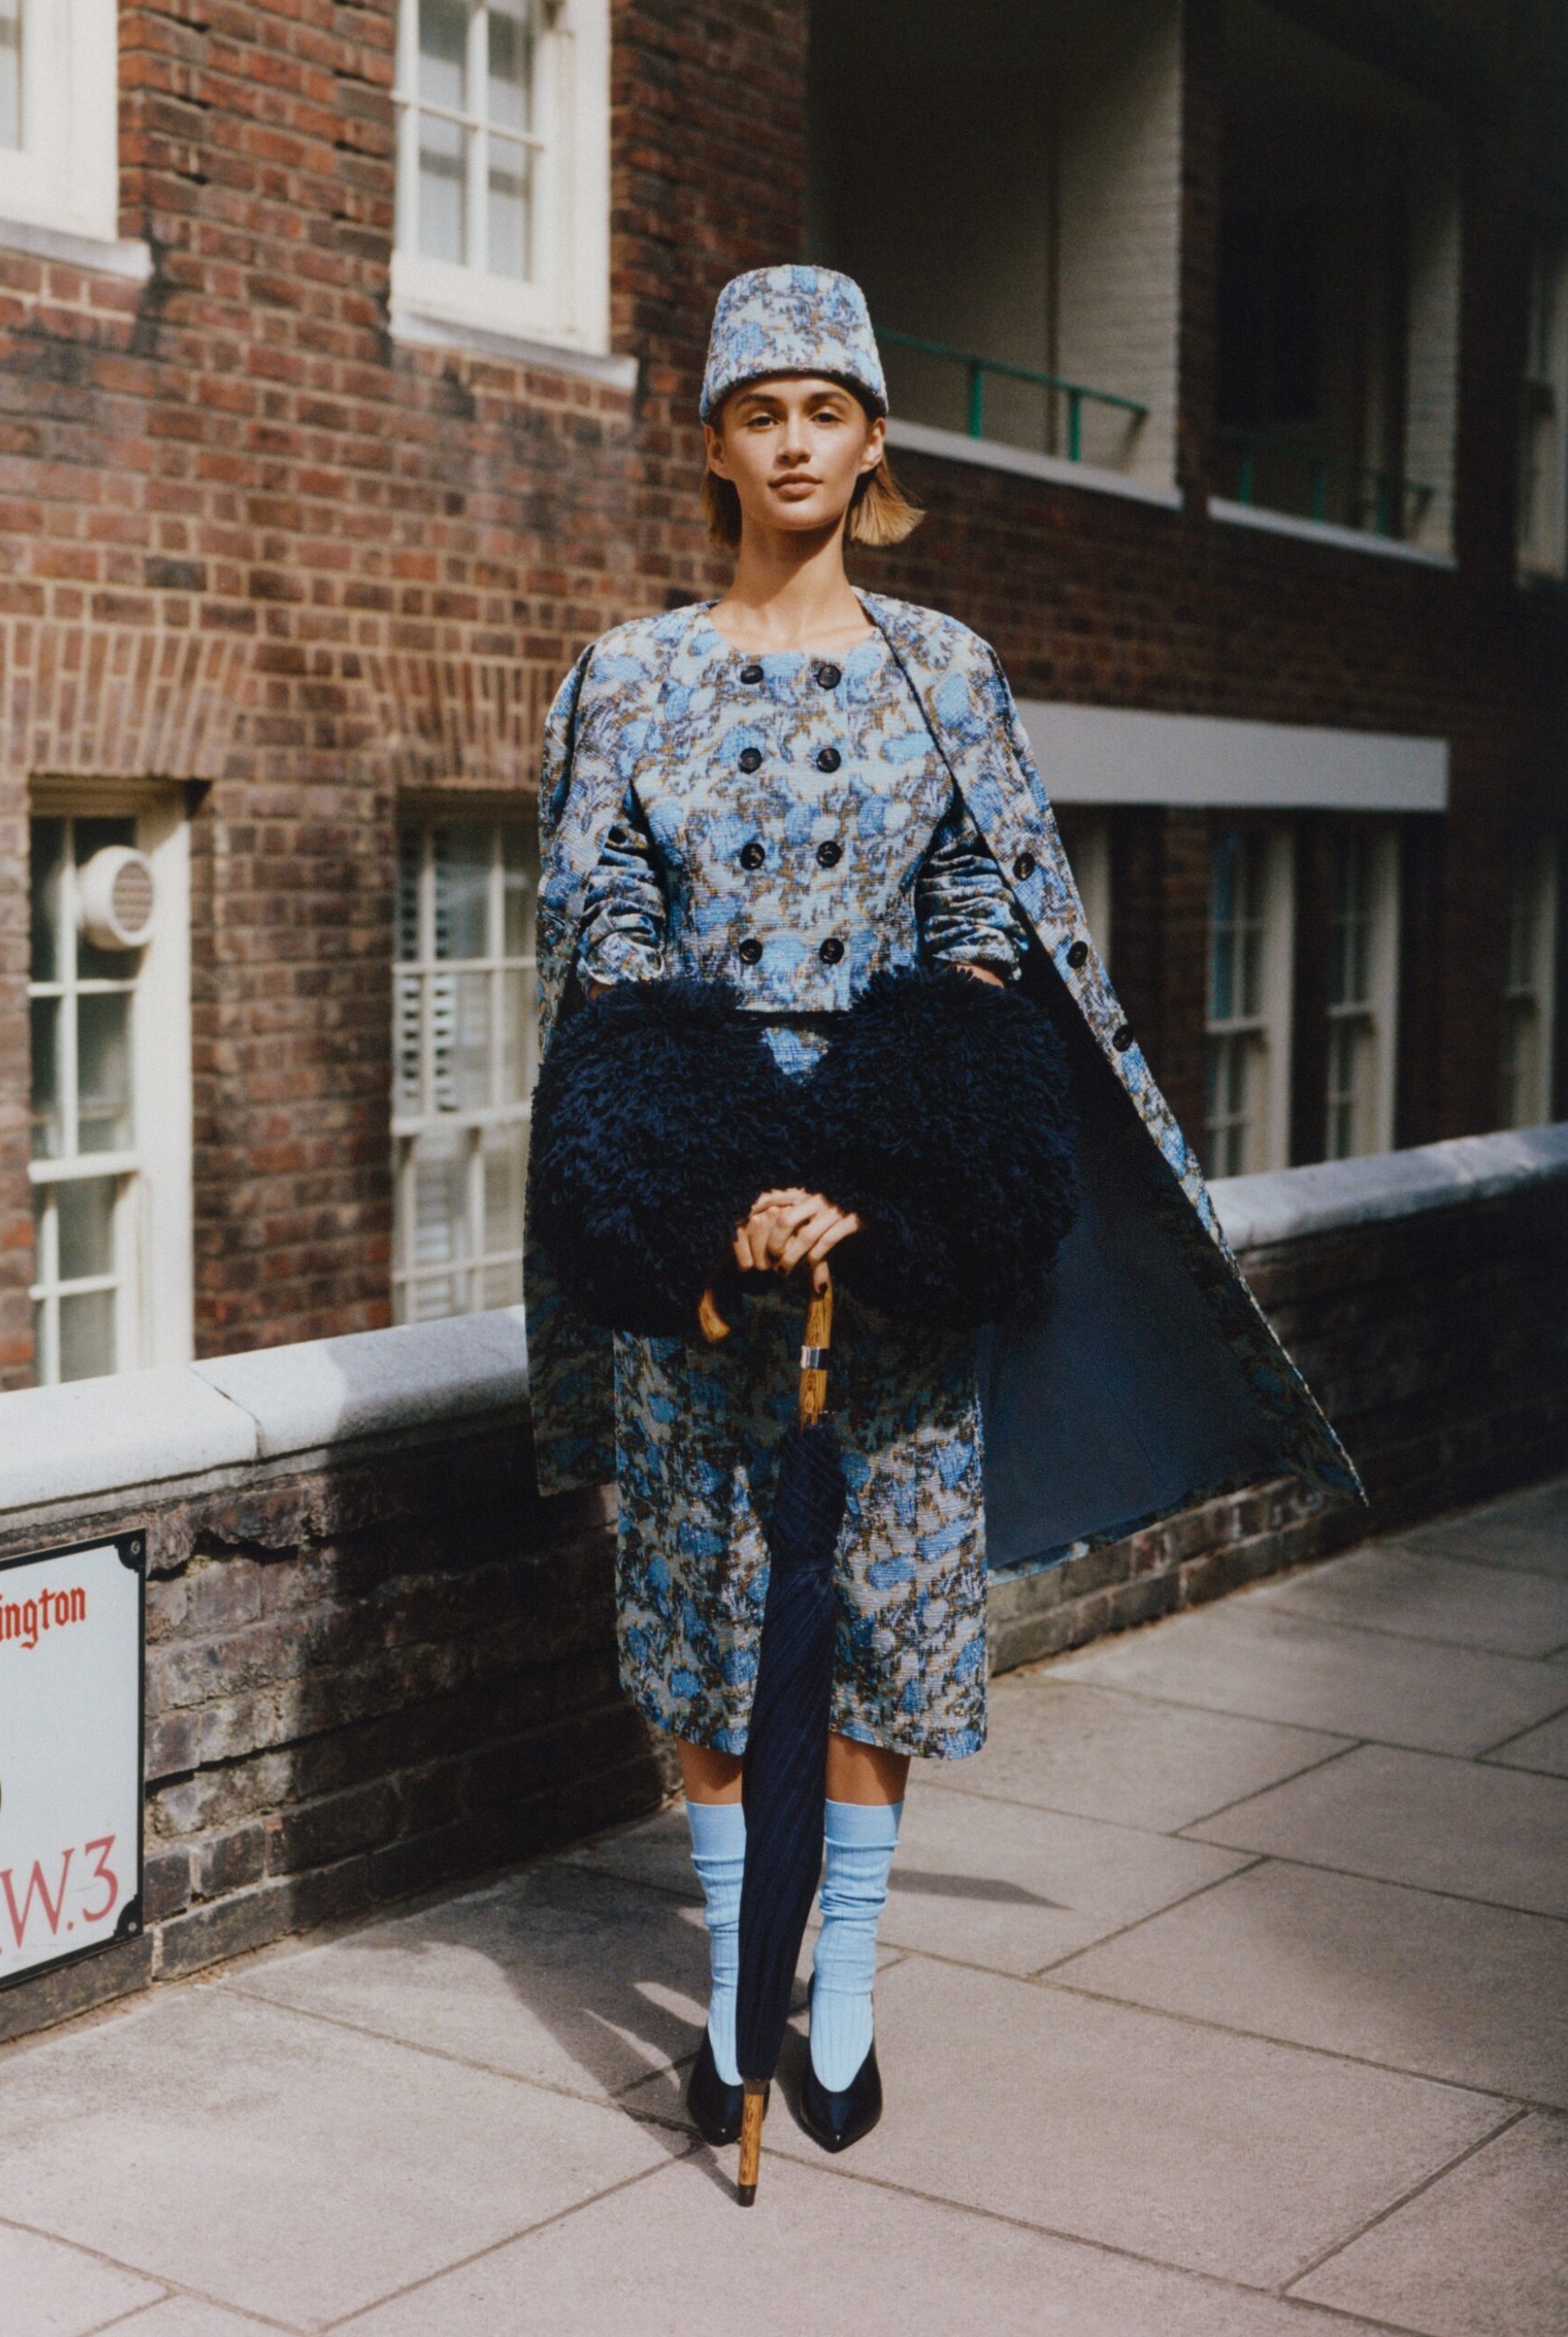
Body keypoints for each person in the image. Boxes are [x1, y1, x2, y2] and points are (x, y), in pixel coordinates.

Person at [523, 264, 1365, 2161]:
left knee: (882, 1624)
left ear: (873, 436)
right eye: (762, 410)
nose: (796, 439)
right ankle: (738, 2001)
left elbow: (989, 930)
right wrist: (718, 1176)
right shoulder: (629, 674)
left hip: (895, 1229)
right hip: (698, 1223)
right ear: (717, 439)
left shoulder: (946, 667)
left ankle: (838, 2006)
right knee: (709, 1617)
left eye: (829, 407)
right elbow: (608, 939)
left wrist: (883, 1184)